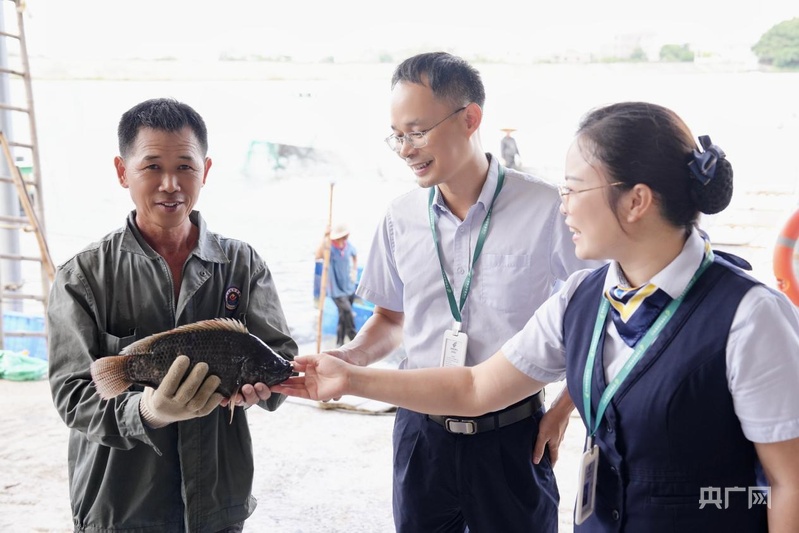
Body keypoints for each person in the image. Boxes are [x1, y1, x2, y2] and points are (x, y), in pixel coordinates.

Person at [274, 101, 799, 532]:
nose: (563, 205)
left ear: (636, 200)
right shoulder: (582, 298)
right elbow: (475, 388)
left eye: (573, 188)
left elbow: (789, 485)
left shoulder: (751, 317)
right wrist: (351, 376)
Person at [303, 52, 594, 533]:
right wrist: (351, 358)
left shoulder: (546, 209)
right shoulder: (399, 217)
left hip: (512, 434)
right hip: (421, 435)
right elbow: (391, 321)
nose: (404, 148)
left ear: (470, 118)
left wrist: (564, 408)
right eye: (397, 135)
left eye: (416, 132)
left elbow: (599, 320)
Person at [47, 98, 298, 533]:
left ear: (206, 171)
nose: (170, 184)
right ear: (122, 171)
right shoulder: (82, 275)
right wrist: (147, 409)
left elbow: (279, 360)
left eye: (185, 166)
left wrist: (266, 389)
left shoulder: (242, 264)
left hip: (218, 504)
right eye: (151, 167)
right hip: (119, 507)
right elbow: (73, 395)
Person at [315, 221, 358, 346]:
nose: (344, 238)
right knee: (348, 312)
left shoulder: (348, 246)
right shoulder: (329, 247)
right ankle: (354, 340)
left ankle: (339, 343)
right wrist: (325, 237)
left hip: (348, 287)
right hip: (336, 290)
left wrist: (354, 270)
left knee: (343, 317)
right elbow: (317, 256)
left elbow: (355, 256)